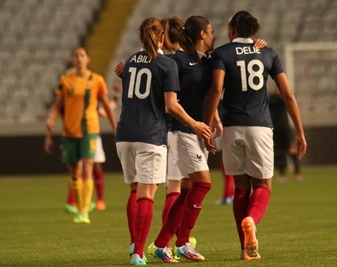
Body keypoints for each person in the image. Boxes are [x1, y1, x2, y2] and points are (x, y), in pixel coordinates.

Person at [205, 11, 307, 261]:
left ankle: (245, 250)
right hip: (260, 127)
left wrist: (206, 125)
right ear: (253, 31)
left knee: (240, 189)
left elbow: (217, 88)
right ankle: (252, 220)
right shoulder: (268, 53)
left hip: (231, 127)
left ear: (231, 31)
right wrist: (300, 132)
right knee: (263, 186)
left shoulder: (221, 54)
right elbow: (288, 96)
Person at [115, 17, 212, 266]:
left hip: (124, 135)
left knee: (134, 190)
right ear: (161, 38)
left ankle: (133, 243)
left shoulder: (129, 63)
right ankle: (140, 252)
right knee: (147, 194)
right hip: (150, 135)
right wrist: (195, 123)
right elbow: (170, 105)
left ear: (140, 38)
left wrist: (123, 73)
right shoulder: (166, 64)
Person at [44, 47, 117, 224]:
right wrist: (51, 121)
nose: (79, 58)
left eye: (82, 55)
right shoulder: (65, 80)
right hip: (69, 131)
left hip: (89, 130)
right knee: (74, 173)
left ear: (87, 59)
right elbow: (58, 105)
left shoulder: (97, 80)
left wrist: (115, 126)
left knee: (87, 168)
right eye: (76, 56)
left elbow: (106, 105)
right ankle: (79, 206)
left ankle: (84, 211)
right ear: (72, 59)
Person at [63, 81, 122, 213]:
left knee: (94, 166)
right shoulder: (75, 105)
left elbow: (108, 108)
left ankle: (99, 200)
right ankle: (73, 202)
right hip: (78, 137)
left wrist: (117, 94)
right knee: (77, 169)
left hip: (93, 137)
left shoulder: (93, 105)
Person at [268, 90, 304, 182]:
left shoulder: (282, 99)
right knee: (278, 152)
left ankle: (297, 173)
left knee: (291, 150)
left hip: (285, 128)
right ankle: (282, 174)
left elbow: (289, 97)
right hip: (274, 128)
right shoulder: (270, 99)